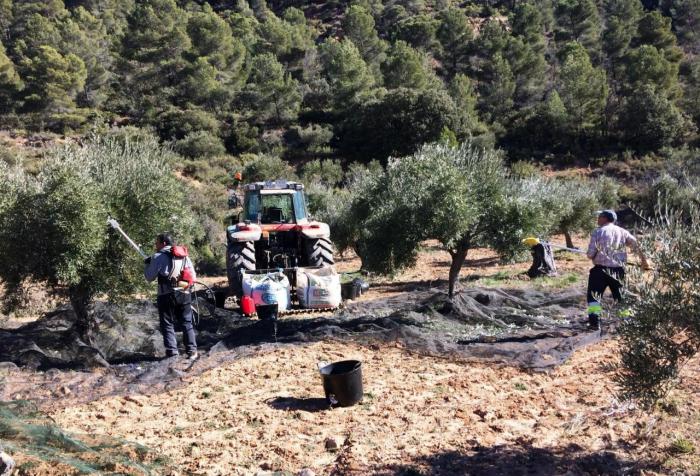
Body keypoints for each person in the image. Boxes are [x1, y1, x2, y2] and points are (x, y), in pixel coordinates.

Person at [585, 210, 650, 330]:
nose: (598, 219)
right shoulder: (622, 231)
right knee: (621, 298)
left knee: (594, 298)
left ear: (605, 218)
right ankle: (625, 322)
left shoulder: (598, 232)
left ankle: (595, 323)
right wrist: (644, 262)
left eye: (599, 217)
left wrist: (589, 253)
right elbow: (636, 245)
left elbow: (590, 254)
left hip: (600, 271)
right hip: (618, 271)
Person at [144, 233, 198, 359]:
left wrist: (147, 264)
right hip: (184, 293)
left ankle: (172, 353)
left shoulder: (157, 257)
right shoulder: (184, 256)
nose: (155, 245)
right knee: (186, 322)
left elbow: (149, 277)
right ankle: (192, 351)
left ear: (163, 243)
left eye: (157, 243)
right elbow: (193, 277)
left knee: (167, 323)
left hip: (166, 295)